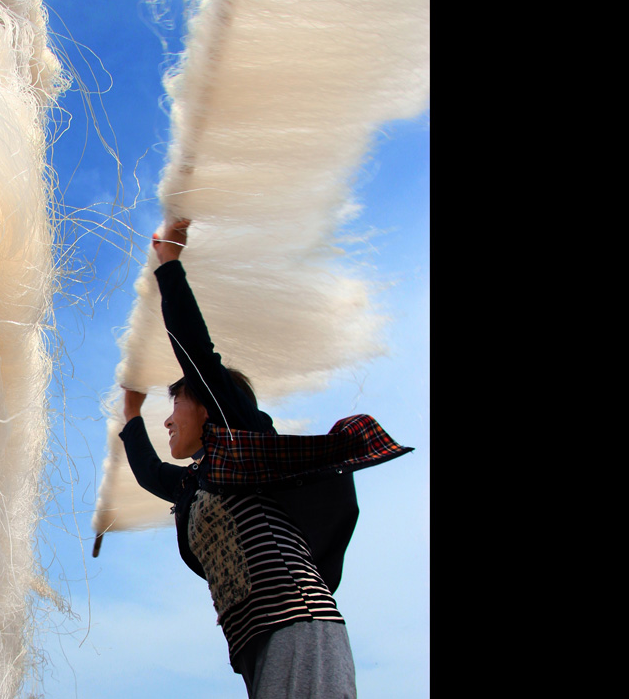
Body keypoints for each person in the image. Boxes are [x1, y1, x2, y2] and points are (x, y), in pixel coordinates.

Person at [119, 219, 411, 698]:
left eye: (174, 405)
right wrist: (131, 417)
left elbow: (198, 355)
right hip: (255, 648)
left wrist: (168, 262)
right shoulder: (197, 485)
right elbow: (152, 474)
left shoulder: (240, 441)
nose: (167, 421)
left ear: (209, 408)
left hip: (300, 623)